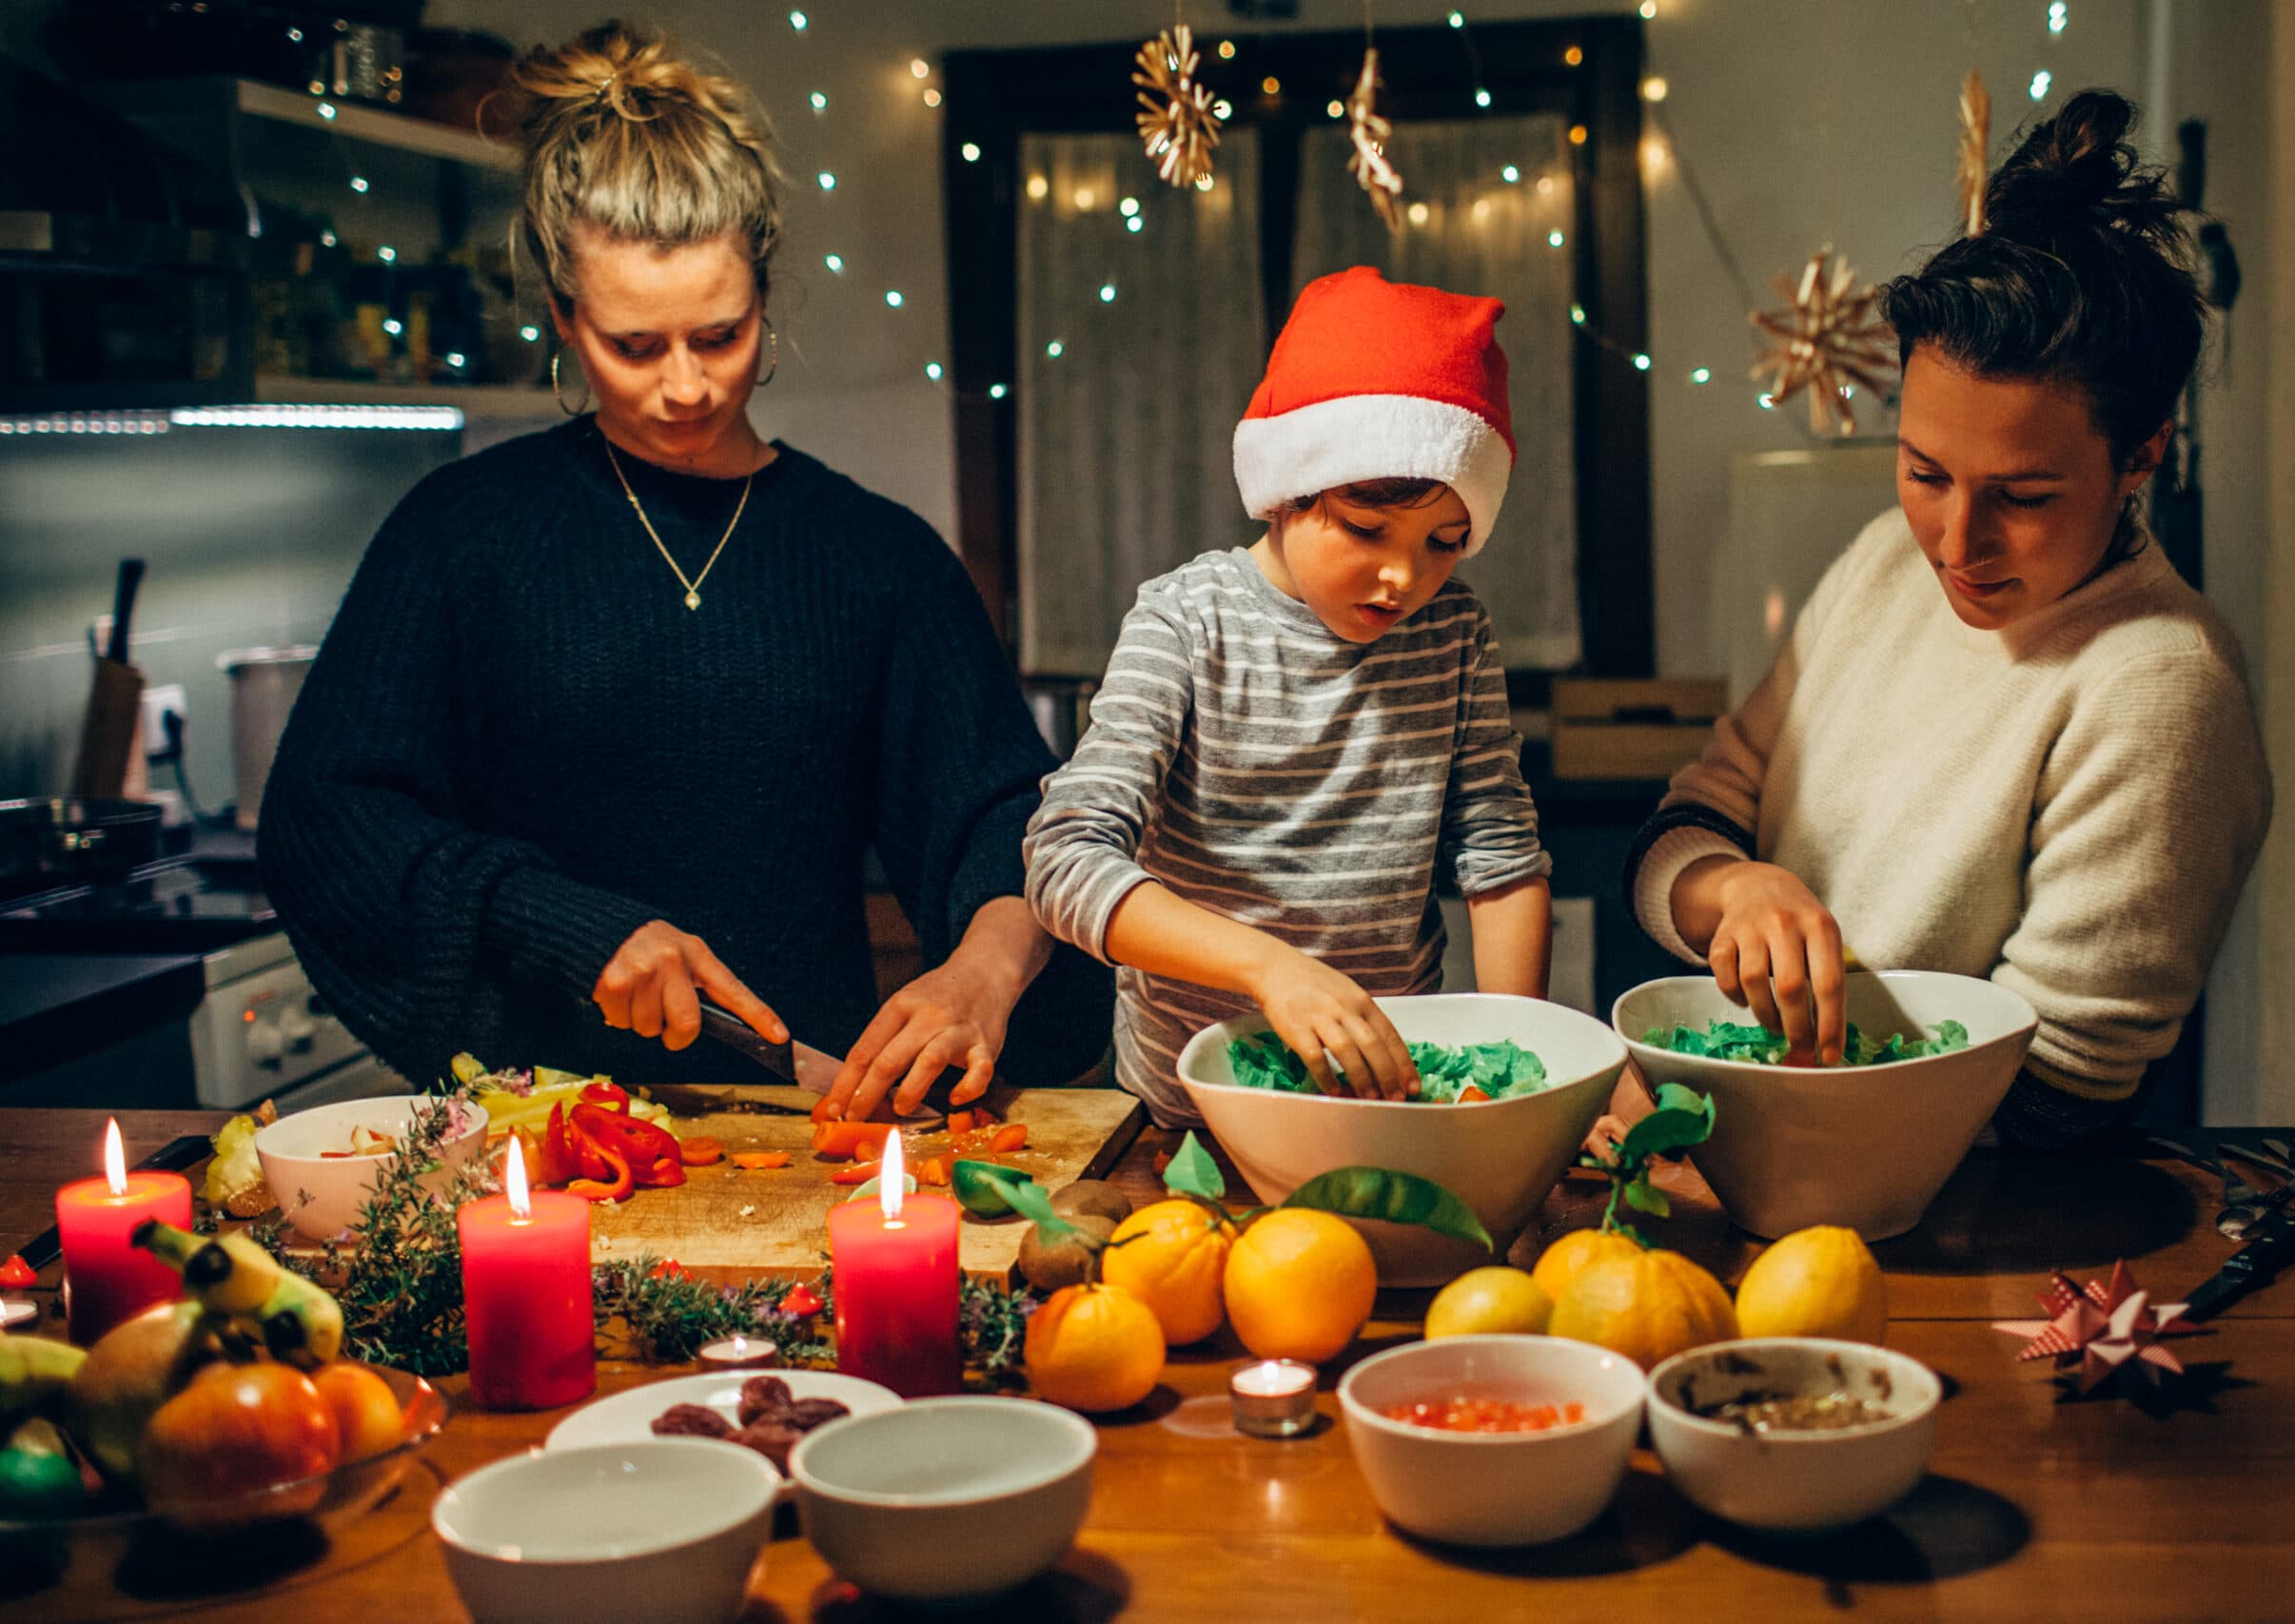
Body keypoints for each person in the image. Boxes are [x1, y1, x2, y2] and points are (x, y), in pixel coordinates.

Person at [260, 23, 1108, 1118]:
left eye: (720, 335)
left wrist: (988, 967)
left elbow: (1003, 812)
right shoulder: (460, 534)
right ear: (564, 318)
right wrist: (567, 924)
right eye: (634, 345)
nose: (686, 388)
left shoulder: (874, 556)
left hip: (804, 1125)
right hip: (535, 1132)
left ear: (765, 291)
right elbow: (329, 817)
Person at [1621, 90, 2270, 1149]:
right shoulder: (1885, 558)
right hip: (1764, 1151)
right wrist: (1732, 889)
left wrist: (1732, 1122)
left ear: (2141, 454)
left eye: (2022, 497)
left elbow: (2061, 1092)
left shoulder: (2158, 684)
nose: (1953, 544)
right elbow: (1693, 817)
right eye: (1924, 471)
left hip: (1956, 1219)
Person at [1025, 267, 1553, 1128]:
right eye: (1368, 529)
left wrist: (1532, 1059)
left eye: (1445, 542)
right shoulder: (1186, 622)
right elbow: (1064, 857)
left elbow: (1499, 855)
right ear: (1286, 492)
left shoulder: (1454, 634)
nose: (1404, 576)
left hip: (1395, 1099)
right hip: (1195, 1109)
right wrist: (1269, 968)